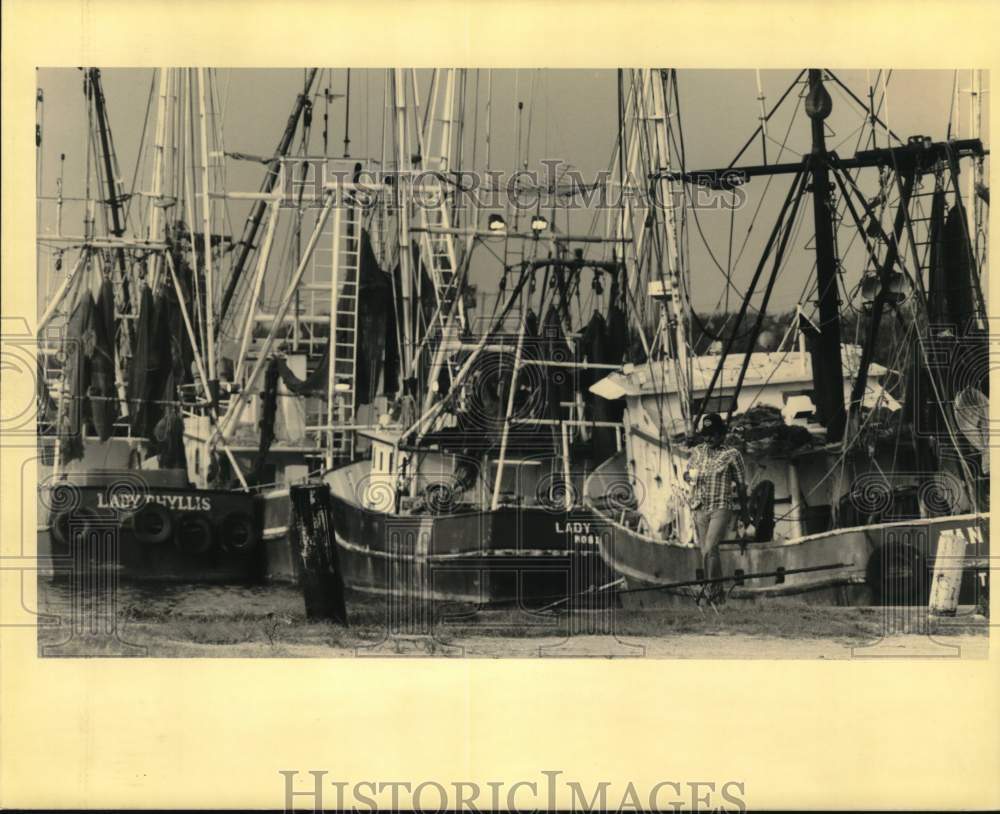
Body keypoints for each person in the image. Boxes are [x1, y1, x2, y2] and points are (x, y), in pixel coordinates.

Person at [683, 413, 749, 603]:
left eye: (712, 434)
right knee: (708, 551)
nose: (708, 438)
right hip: (699, 505)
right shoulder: (697, 451)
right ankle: (718, 595)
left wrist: (744, 513)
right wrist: (688, 477)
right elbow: (686, 474)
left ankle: (710, 590)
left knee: (710, 547)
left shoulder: (732, 455)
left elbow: (741, 485)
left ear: (722, 434)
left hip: (721, 506)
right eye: (705, 434)